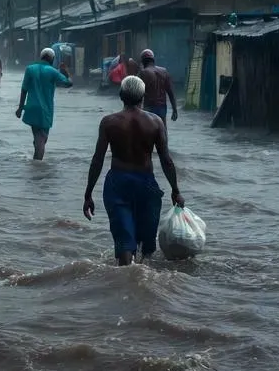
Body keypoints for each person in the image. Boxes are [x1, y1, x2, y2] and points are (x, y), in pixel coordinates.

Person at [82, 76, 184, 266]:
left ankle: (126, 276)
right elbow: (166, 160)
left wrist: (88, 194)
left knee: (124, 240)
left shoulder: (109, 122)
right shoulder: (156, 122)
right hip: (146, 184)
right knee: (146, 243)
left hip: (118, 183)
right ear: (143, 97)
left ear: (121, 95)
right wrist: (175, 190)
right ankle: (142, 278)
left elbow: (97, 160)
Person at [16, 47, 73, 160]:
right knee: (42, 139)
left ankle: (35, 159)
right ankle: (38, 166)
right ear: (52, 59)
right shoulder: (52, 71)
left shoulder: (30, 69)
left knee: (38, 137)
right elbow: (68, 83)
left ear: (41, 57)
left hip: (31, 108)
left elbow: (24, 89)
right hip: (45, 111)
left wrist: (20, 108)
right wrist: (66, 72)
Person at [137, 49, 178, 126]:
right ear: (153, 60)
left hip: (149, 108)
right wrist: (175, 110)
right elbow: (171, 93)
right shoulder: (164, 71)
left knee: (149, 131)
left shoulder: (143, 73)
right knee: (163, 129)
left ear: (143, 62)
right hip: (162, 108)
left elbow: (137, 94)